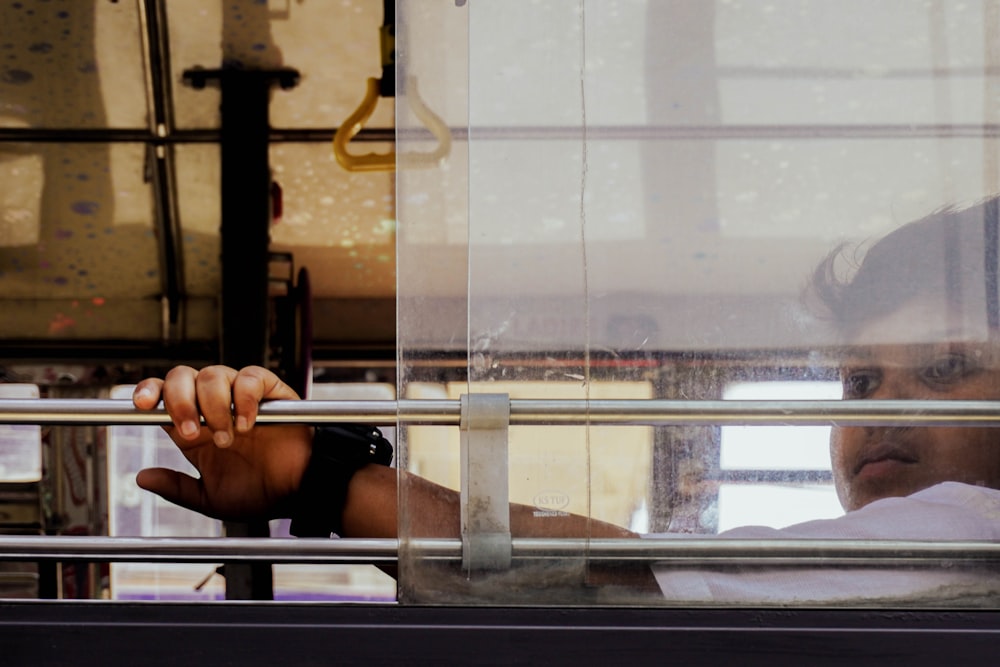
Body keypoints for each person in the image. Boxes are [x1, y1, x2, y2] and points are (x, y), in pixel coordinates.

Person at [132, 197, 1000, 604]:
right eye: (859, 380)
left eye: (946, 368)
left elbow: (620, 580)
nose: (881, 409)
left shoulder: (976, 532)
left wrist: (324, 480)